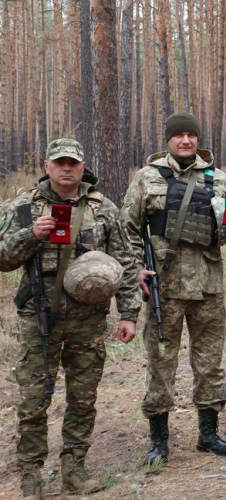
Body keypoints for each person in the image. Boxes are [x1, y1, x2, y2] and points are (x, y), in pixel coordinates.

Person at [0, 139, 142, 498]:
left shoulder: (103, 208)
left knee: (83, 398)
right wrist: (31, 234)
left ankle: (74, 468)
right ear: (47, 165)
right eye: (59, 162)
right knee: (34, 399)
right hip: (39, 318)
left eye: (73, 163)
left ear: (82, 167)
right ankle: (30, 475)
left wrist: (128, 314)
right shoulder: (23, 207)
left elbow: (125, 263)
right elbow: (2, 258)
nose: (66, 168)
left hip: (89, 320)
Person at [120, 112, 226, 464]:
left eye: (191, 135)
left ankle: (208, 435)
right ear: (168, 140)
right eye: (179, 135)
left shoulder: (218, 179)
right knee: (161, 363)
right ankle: (158, 440)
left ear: (198, 139)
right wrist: (137, 268)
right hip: (164, 288)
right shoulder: (147, 179)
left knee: (210, 364)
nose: (186, 141)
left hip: (208, 286)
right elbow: (128, 230)